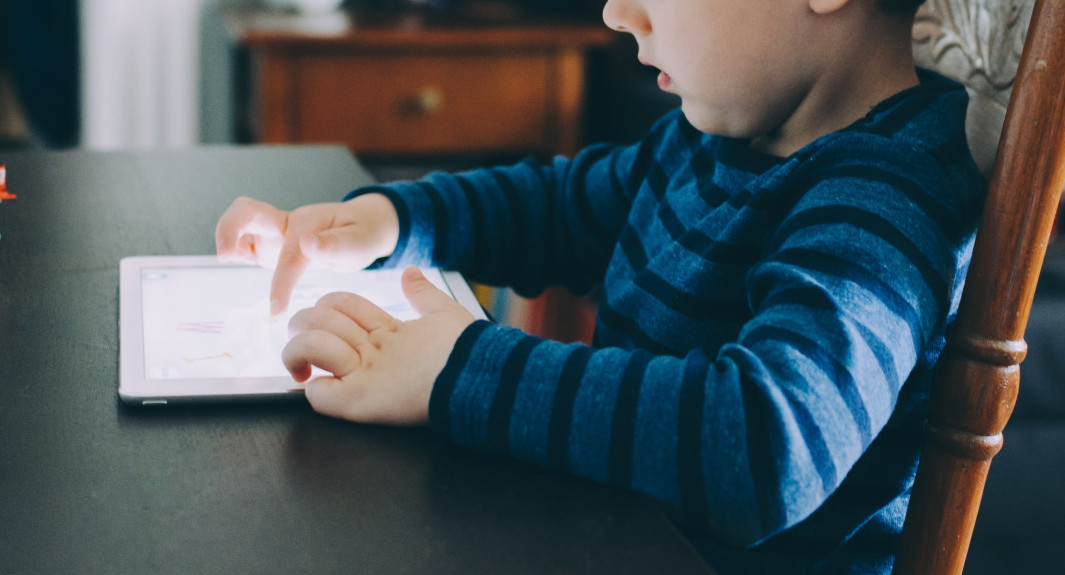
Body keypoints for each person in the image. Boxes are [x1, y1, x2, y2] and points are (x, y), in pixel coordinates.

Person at [215, 0, 986, 572]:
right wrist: (390, 220)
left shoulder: (888, 191)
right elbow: (557, 208)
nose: (618, 13)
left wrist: (460, 367)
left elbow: (765, 445)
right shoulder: (713, 137)